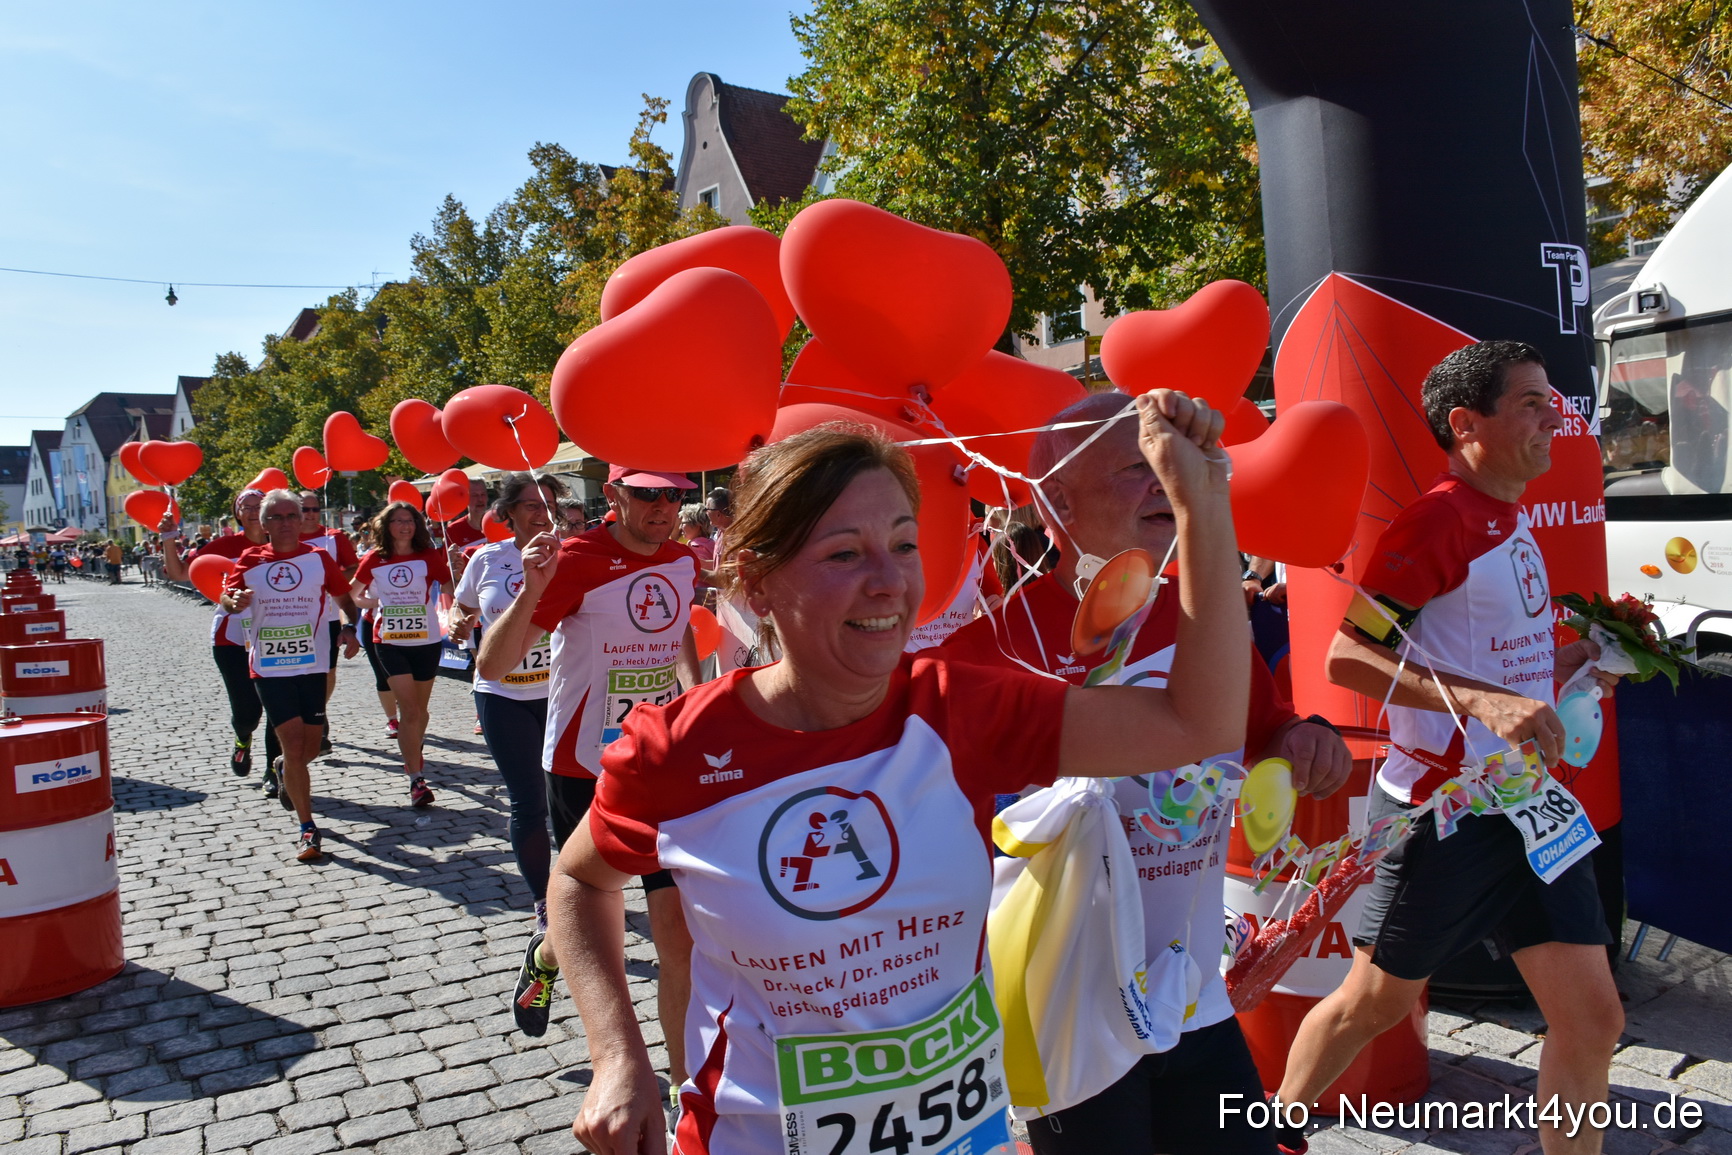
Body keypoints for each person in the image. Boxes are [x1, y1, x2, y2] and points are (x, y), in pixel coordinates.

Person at [541, 396, 1248, 1155]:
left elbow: (1196, 724)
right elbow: (580, 882)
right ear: (757, 579)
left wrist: (1203, 503)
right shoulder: (679, 748)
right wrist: (618, 1056)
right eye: (844, 553)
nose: (889, 582)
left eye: (904, 544)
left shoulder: (958, 707)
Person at [942, 391, 1351, 1155]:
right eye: (1139, 469)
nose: (1167, 486)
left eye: (1175, 469)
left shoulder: (1202, 620)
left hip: (1196, 1000)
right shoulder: (980, 655)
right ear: (1055, 500)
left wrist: (1304, 740)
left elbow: (1267, 724)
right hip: (1071, 1015)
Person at [1274, 342, 1623, 1155]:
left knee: (1594, 1018)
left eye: (1551, 400)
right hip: (1445, 813)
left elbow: (1489, 654)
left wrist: (1566, 665)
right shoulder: (1436, 520)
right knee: (1375, 1003)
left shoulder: (1510, 514)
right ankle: (1276, 1129)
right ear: (1468, 425)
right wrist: (1479, 699)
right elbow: (1347, 656)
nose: (1554, 417)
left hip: (1529, 807)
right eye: (1532, 403)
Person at [478, 465, 703, 1057]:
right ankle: (545, 954)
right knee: (588, 920)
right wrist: (532, 587)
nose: (663, 506)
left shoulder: (682, 560)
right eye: (647, 493)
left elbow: (676, 626)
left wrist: (691, 684)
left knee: (677, 941)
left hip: (658, 763)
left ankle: (684, 1097)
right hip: (583, 766)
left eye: (674, 494)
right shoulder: (573, 558)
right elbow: (492, 667)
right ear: (615, 495)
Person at [452, 474, 565, 960]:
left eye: (549, 504)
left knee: (571, 800)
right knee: (527, 801)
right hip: (503, 694)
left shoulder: (574, 554)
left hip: (563, 693)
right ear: (509, 513)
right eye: (531, 505)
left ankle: (583, 887)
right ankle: (544, 902)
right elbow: (463, 611)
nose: (542, 512)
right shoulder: (487, 558)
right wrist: (460, 623)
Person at [221, 490, 362, 861]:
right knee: (294, 742)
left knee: (309, 748)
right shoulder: (250, 559)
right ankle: (308, 828)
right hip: (269, 666)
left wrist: (349, 629)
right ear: (263, 524)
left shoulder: (318, 559)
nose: (284, 523)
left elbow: (346, 602)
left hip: (314, 664)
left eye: (291, 516)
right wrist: (231, 601)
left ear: (301, 521)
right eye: (276, 517)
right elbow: (227, 596)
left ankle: (282, 767)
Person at [160, 492, 283, 779]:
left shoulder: (285, 542)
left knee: (278, 706)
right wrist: (168, 536)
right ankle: (242, 739)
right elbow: (178, 573)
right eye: (246, 507)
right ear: (237, 514)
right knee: (247, 713)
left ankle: (273, 771)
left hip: (276, 633)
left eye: (259, 506)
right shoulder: (221, 546)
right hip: (232, 638)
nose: (253, 512)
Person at [353, 502, 453, 809]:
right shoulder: (375, 557)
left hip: (426, 640)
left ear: (417, 525)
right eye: (397, 521)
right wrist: (374, 603)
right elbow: (354, 592)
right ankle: (416, 780)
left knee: (420, 712)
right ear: (387, 526)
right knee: (409, 710)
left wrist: (454, 613)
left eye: (409, 520)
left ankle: (412, 750)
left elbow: (449, 585)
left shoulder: (428, 556)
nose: (404, 526)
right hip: (389, 640)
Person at [300, 491, 359, 756]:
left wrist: (329, 578)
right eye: (304, 509)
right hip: (293, 617)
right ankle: (309, 716)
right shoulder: (283, 538)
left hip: (329, 616)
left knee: (327, 672)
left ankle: (318, 714)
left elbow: (353, 566)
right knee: (299, 671)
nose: (310, 514)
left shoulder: (333, 537)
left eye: (314, 509)